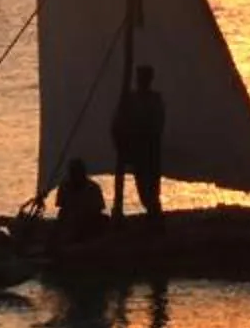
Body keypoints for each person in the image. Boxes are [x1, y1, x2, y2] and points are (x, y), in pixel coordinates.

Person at [110, 63, 166, 217]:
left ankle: (154, 214)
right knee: (142, 183)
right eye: (141, 78)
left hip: (150, 147)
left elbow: (158, 124)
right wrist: (122, 144)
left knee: (152, 185)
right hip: (137, 148)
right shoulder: (130, 98)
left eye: (145, 78)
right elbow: (117, 123)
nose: (142, 81)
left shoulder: (154, 99)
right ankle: (153, 213)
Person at [54, 156, 108, 241]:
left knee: (103, 220)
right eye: (73, 172)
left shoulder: (93, 188)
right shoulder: (64, 187)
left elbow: (98, 209)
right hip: (71, 221)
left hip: (89, 221)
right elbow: (62, 208)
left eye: (77, 171)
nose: (75, 175)